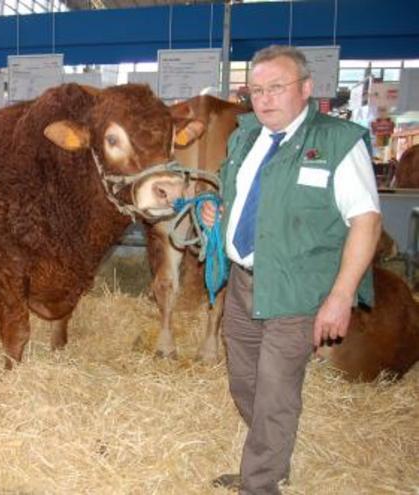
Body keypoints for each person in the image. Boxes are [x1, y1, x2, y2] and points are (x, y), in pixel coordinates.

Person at [201, 46, 382, 494]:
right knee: (245, 382)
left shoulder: (338, 142)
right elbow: (245, 201)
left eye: (276, 88)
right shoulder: (245, 137)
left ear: (305, 89)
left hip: (300, 289)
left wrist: (340, 297)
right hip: (244, 283)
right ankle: (271, 457)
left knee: (276, 391)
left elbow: (367, 221)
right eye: (256, 90)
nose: (264, 99)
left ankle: (259, 483)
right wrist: (218, 213)